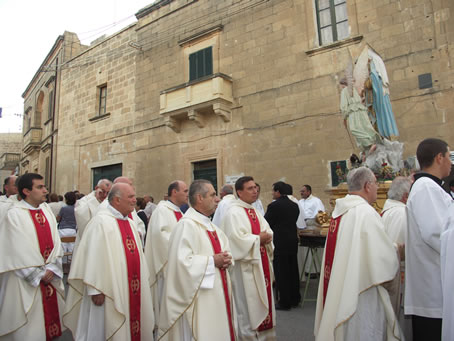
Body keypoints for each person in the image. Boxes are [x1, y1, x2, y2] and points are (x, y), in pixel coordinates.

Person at [314, 167, 402, 341]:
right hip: (363, 289)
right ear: (368, 186)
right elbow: (381, 257)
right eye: (376, 184)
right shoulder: (365, 212)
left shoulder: (340, 212)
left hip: (343, 285)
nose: (377, 187)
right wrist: (397, 249)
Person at [63, 183, 154, 340]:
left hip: (130, 286)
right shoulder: (100, 222)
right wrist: (95, 289)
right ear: (117, 200)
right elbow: (93, 256)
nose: (135, 200)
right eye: (131, 197)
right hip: (107, 290)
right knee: (106, 328)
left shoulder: (131, 223)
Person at [158, 180, 236, 340]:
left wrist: (228, 259)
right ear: (200, 198)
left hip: (218, 295)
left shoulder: (212, 226)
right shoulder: (186, 226)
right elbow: (181, 264)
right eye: (213, 195)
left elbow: (226, 251)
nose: (217, 199)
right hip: (198, 299)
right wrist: (212, 261)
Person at [0, 173, 65, 340]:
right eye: (40, 187)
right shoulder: (14, 214)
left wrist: (52, 267)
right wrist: (39, 274)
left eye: (44, 187)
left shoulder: (47, 210)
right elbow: (15, 249)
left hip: (49, 276)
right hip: (25, 281)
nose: (45, 190)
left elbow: (56, 242)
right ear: (26, 191)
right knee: (30, 330)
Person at [406, 138, 453, 341]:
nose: (451, 163)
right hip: (434, 290)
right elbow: (437, 234)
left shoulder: (430, 187)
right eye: (449, 157)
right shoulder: (426, 187)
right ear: (439, 157)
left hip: (435, 286)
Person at [221, 176, 276, 340]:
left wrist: (264, 237)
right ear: (239, 192)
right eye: (250, 188)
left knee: (263, 302)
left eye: (255, 188)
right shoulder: (233, 213)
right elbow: (235, 240)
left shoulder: (255, 211)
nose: (255, 191)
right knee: (247, 307)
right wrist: (259, 238)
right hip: (245, 268)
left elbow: (268, 231)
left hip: (261, 263)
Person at [144, 180, 188, 330]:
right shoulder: (162, 210)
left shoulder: (179, 211)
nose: (188, 194)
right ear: (174, 192)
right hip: (166, 266)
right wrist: (184, 246)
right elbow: (160, 236)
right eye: (185, 191)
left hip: (179, 264)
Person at [264, 181, 301, 310]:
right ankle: (295, 298)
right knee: (293, 270)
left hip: (280, 242)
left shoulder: (274, 206)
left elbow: (266, 223)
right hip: (292, 241)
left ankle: (284, 301)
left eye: (273, 191)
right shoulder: (294, 206)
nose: (272, 193)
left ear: (278, 192)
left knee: (281, 272)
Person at [339, 78, 380, 152]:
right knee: (364, 128)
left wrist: (344, 118)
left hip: (353, 112)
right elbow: (359, 100)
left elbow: (343, 107)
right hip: (362, 111)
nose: (341, 88)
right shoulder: (354, 90)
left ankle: (370, 144)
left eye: (341, 86)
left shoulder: (344, 91)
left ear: (343, 85)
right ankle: (366, 149)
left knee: (354, 130)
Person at [73, 179, 112, 255]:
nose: (105, 195)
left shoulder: (109, 202)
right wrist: (94, 200)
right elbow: (83, 224)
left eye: (108, 193)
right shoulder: (84, 201)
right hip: (88, 244)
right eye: (103, 191)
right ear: (96, 188)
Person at [57, 191, 78, 258]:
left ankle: (64, 264)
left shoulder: (63, 208)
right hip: (73, 230)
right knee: (72, 249)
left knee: (63, 249)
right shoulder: (76, 209)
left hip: (63, 230)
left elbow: (58, 218)